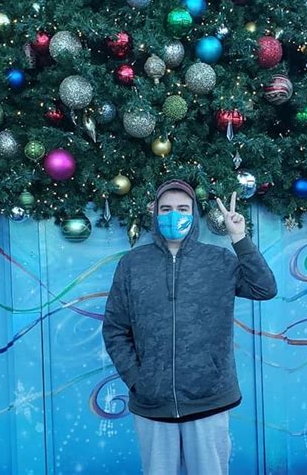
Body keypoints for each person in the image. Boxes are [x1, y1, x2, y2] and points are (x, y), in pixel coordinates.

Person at [102, 179, 277, 475]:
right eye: (166, 209)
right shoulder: (132, 264)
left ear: (193, 214)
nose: (174, 215)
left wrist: (239, 238)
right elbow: (115, 329)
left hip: (209, 400)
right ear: (155, 213)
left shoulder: (219, 260)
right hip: (152, 405)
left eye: (183, 209)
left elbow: (265, 288)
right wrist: (138, 380)